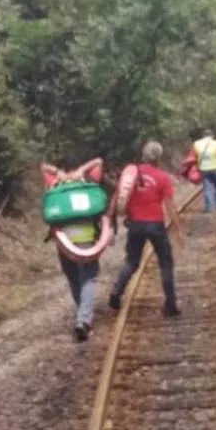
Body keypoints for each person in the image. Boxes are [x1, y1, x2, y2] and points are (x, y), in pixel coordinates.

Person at [108, 140, 183, 317]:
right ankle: (170, 304)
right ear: (159, 158)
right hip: (155, 225)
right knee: (165, 262)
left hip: (135, 224)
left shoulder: (130, 176)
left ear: (143, 155)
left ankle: (116, 292)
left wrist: (111, 220)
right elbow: (170, 206)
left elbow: (117, 197)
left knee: (132, 261)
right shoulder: (162, 177)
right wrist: (178, 229)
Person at [40, 152, 105, 342]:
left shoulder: (55, 183)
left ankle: (82, 317)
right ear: (79, 166)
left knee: (73, 278)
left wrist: (59, 173)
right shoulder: (88, 179)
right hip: (86, 239)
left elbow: (43, 166)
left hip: (64, 241)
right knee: (89, 278)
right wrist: (81, 171)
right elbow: (99, 160)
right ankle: (83, 320)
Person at [192, 128, 216, 213]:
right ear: (212, 135)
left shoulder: (196, 144)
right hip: (215, 168)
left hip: (203, 169)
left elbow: (193, 157)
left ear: (203, 135)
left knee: (207, 189)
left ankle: (208, 208)